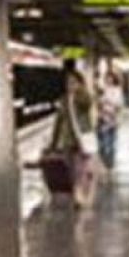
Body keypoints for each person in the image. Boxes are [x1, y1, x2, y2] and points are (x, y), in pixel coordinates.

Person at [49, 69, 98, 204]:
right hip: (67, 139)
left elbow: (88, 102)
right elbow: (58, 121)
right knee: (70, 167)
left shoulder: (82, 97)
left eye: (73, 82)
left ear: (79, 82)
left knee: (79, 166)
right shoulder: (64, 100)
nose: (70, 85)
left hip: (81, 138)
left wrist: (79, 91)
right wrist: (53, 143)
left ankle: (78, 192)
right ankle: (77, 188)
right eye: (68, 82)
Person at [97, 71, 125, 171]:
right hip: (103, 118)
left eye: (110, 78)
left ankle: (110, 163)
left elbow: (119, 104)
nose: (109, 80)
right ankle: (106, 161)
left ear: (114, 79)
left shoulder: (117, 90)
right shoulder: (103, 89)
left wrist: (107, 101)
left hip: (112, 119)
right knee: (103, 142)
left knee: (111, 141)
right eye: (107, 78)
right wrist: (102, 101)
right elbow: (99, 102)